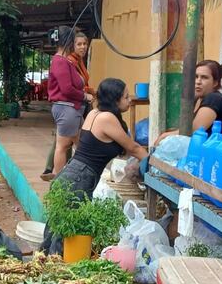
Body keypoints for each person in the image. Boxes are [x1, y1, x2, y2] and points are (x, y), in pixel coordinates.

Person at [41, 78, 148, 255]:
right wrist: (153, 163)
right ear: (114, 100)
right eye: (126, 97)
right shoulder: (107, 118)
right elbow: (134, 148)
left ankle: (46, 261)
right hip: (80, 177)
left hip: (72, 173)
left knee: (56, 228)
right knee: (66, 233)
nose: (130, 100)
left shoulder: (95, 113)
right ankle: (55, 263)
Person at [42, 30, 96, 180]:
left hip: (72, 109)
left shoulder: (65, 61)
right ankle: (60, 181)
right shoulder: (60, 61)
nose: (78, 46)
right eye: (75, 42)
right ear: (68, 42)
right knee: (63, 146)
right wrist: (84, 96)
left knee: (80, 145)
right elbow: (66, 89)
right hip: (67, 108)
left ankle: (73, 176)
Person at [155, 60, 222, 144]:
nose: (198, 81)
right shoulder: (198, 99)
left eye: (204, 77)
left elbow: (194, 131)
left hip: (217, 150)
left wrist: (164, 136)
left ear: (215, 82)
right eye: (196, 77)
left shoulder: (214, 98)